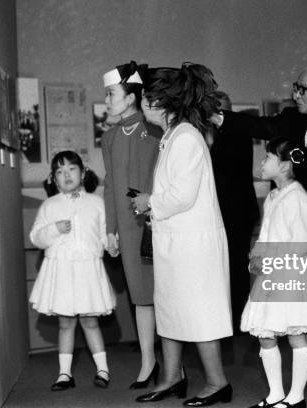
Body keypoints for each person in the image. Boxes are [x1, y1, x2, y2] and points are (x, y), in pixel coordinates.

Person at [211, 65, 307, 384]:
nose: (297, 94)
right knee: (301, 300)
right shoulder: (291, 119)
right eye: (297, 87)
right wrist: (219, 116)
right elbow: (258, 124)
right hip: (293, 218)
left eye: (305, 89)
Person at [131, 63, 233, 406]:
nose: (142, 104)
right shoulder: (172, 136)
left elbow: (182, 196)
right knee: (171, 309)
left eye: (145, 98)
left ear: (160, 102)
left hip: (194, 246)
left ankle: (218, 382)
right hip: (177, 243)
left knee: (199, 313)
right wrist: (152, 205)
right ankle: (171, 377)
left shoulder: (186, 137)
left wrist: (148, 202)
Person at [241, 136, 307, 408]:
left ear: (284, 166)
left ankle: (296, 397)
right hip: (269, 275)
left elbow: (302, 244)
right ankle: (275, 394)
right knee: (266, 334)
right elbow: (266, 235)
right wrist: (256, 258)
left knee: (296, 333)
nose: (262, 161)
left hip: (291, 276)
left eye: (268, 158)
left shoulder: (298, 198)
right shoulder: (273, 196)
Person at [29, 151, 116, 391]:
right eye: (59, 171)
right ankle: (64, 374)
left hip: (88, 271)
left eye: (71, 169)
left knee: (90, 321)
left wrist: (111, 245)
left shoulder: (97, 203)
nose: (66, 175)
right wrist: (54, 229)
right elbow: (36, 237)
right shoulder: (49, 206)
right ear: (54, 179)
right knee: (66, 323)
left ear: (83, 172)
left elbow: (104, 234)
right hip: (62, 272)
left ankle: (103, 369)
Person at [101, 61, 162, 388]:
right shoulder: (109, 137)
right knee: (140, 297)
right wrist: (110, 229)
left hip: (155, 223)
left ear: (130, 98)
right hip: (126, 226)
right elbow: (110, 185)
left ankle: (172, 366)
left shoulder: (154, 129)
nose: (107, 100)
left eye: (111, 94)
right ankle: (148, 362)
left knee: (163, 296)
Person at [208, 91, 259, 331]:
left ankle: (237, 319)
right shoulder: (224, 135)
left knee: (236, 268)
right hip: (233, 211)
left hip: (235, 212)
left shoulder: (234, 134)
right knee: (229, 268)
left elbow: (223, 174)